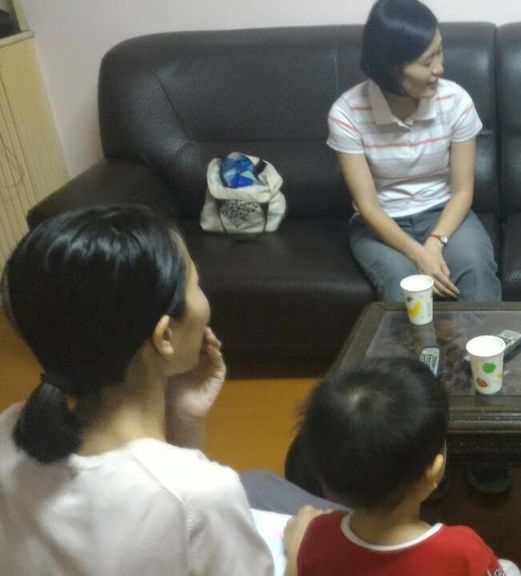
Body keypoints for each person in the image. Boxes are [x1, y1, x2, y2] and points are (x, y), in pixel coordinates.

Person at [0, 205, 323, 574]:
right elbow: (182, 503)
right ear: (165, 336)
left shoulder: (10, 431)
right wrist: (300, 555)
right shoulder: (201, 495)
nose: (203, 296)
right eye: (195, 284)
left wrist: (184, 419)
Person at [328, 0, 501, 303]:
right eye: (426, 62)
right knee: (405, 287)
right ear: (391, 68)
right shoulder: (347, 113)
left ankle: (484, 338)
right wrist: (418, 254)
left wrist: (435, 242)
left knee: (476, 270)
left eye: (439, 52)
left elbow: (463, 191)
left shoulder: (456, 101)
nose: (439, 68)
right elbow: (368, 206)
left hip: (443, 213)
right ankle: (415, 341)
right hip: (381, 222)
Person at [292, 357, 520, 576]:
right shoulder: (463, 551)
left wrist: (296, 550)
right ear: (434, 473)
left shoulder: (318, 535)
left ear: (326, 482)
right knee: (508, 568)